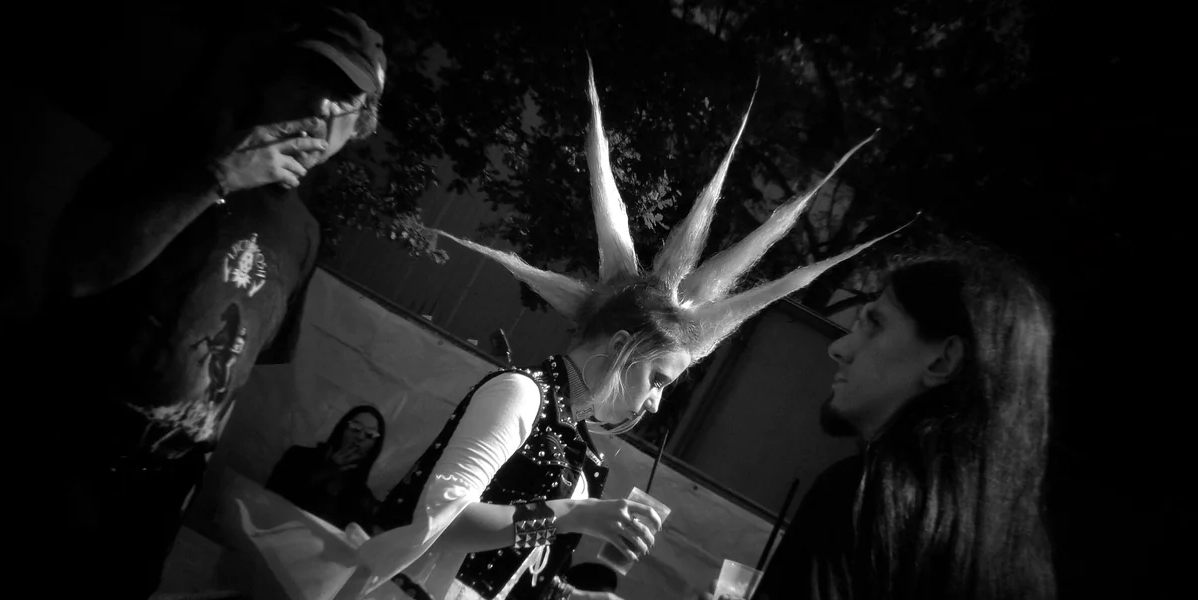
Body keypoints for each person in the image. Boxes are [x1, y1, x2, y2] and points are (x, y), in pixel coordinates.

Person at [246, 60, 899, 600]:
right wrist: (576, 514)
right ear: (621, 347)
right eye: (658, 378)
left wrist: (571, 591)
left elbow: (514, 570)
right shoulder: (519, 395)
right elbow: (441, 519)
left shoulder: (578, 446)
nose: (656, 403)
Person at [26, 8, 388, 599]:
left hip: (147, 511)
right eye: (311, 77)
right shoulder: (171, 150)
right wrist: (218, 176)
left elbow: (229, 379)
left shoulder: (303, 235)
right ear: (272, 77)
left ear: (360, 125)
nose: (322, 106)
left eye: (345, 97)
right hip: (55, 459)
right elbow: (75, 273)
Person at [745, 245, 1057, 600]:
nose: (840, 349)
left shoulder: (858, 502)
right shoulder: (1015, 548)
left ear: (942, 361)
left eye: (876, 325)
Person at [267, 405, 387, 532]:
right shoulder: (298, 456)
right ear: (342, 429)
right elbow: (272, 497)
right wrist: (326, 471)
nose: (360, 437)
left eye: (370, 435)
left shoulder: (363, 497)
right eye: (355, 428)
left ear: (374, 446)